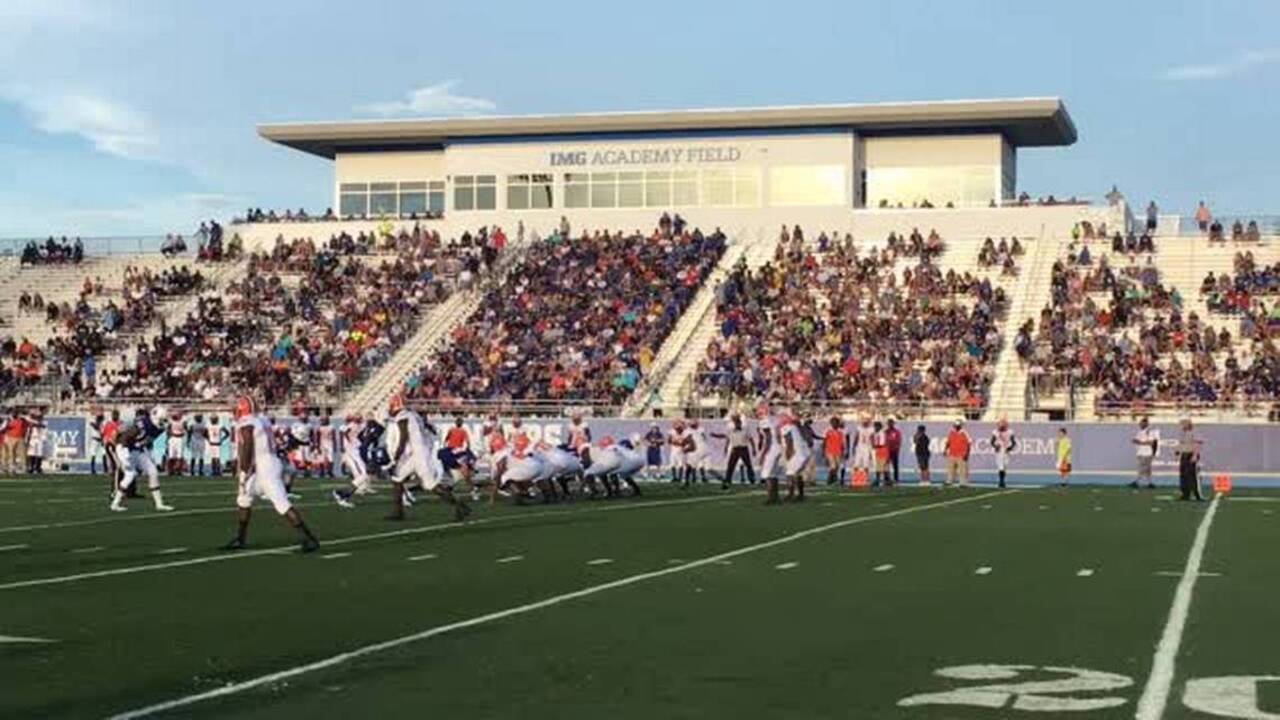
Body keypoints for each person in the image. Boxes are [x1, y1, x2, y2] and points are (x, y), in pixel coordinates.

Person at [222, 395, 319, 553]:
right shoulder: (262, 419)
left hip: (265, 466)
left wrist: (243, 471)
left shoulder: (247, 423)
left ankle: (309, 538)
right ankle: (240, 538)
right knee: (244, 498)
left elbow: (247, 448)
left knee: (281, 503)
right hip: (267, 463)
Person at [384, 393, 470, 522]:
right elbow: (427, 428)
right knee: (397, 479)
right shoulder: (413, 414)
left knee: (430, 485)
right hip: (417, 453)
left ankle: (460, 505)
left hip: (420, 456)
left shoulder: (403, 416)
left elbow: (403, 439)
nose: (389, 409)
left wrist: (395, 459)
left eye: (391, 406)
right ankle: (398, 512)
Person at [110, 407, 174, 512]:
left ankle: (159, 504)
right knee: (130, 475)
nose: (163, 422)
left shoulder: (158, 428)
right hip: (124, 448)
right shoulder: (143, 424)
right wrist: (124, 453)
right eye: (162, 420)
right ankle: (115, 504)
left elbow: (147, 441)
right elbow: (126, 437)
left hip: (138, 450)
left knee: (153, 472)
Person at [712, 413, 755, 488]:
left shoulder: (745, 428)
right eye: (735, 422)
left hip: (743, 448)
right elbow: (726, 437)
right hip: (735, 448)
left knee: (748, 465)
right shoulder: (730, 429)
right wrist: (725, 446)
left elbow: (751, 439)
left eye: (738, 422)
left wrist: (753, 448)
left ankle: (752, 479)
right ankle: (728, 480)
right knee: (731, 465)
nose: (737, 424)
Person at [779, 410, 810, 502]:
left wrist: (788, 456)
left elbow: (789, 442)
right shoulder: (795, 427)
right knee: (798, 474)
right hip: (805, 453)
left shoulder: (786, 428)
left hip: (797, 453)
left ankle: (790, 495)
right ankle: (801, 495)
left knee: (790, 473)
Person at [1176, 419, 1204, 501]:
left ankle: (1197, 494)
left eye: (1183, 424)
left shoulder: (1194, 432)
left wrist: (1195, 455)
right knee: (1183, 475)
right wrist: (1178, 452)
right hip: (1184, 454)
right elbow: (1181, 444)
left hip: (1191, 454)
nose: (1182, 426)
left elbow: (1198, 444)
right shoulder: (1182, 433)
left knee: (1192, 475)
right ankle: (1185, 494)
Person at [1131, 417, 1159, 489]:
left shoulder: (1149, 432)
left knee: (1144, 468)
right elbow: (1135, 440)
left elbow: (1151, 442)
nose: (1140, 424)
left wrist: (1141, 443)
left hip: (1147, 453)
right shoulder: (1139, 432)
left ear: (1145, 424)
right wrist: (1138, 442)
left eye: (1142, 423)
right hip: (1140, 452)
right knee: (1145, 468)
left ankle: (1138, 481)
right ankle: (1149, 482)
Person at [990, 418, 1017, 488]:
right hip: (999, 451)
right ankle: (1001, 481)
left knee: (1005, 466)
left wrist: (1010, 448)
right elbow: (992, 442)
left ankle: (1003, 480)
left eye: (1003, 425)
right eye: (1000, 425)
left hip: (1006, 451)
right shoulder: (995, 432)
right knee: (1000, 466)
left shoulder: (1010, 432)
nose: (1001, 427)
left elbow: (1014, 442)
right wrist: (996, 446)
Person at [944, 420, 972, 488]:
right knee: (950, 469)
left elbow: (969, 444)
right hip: (952, 453)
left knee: (962, 470)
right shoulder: (951, 432)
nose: (956, 427)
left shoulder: (964, 433)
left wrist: (967, 454)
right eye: (956, 426)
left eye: (958, 426)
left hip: (961, 454)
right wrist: (945, 449)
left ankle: (963, 483)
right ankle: (949, 481)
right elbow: (948, 442)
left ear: (960, 426)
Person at [822, 416, 846, 486]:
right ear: (831, 423)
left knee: (837, 467)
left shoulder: (841, 432)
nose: (835, 424)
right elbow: (824, 441)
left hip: (838, 452)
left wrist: (843, 452)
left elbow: (843, 443)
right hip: (829, 451)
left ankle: (833, 479)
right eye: (833, 423)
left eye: (836, 423)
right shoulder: (827, 431)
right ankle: (829, 480)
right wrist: (823, 451)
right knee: (833, 466)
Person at [885, 418, 903, 486]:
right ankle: (887, 479)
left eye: (891, 423)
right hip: (887, 451)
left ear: (893, 424)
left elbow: (899, 440)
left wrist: (897, 447)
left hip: (894, 451)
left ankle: (896, 479)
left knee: (895, 465)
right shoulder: (885, 432)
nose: (890, 424)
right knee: (886, 465)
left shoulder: (896, 432)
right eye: (889, 423)